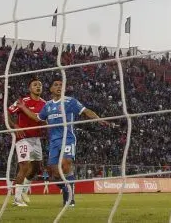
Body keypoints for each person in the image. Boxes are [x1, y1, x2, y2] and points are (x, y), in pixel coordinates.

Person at [17, 79, 112, 208]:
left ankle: (70, 198)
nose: (59, 87)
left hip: (67, 139)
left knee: (66, 165)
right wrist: (23, 107)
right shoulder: (48, 105)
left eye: (61, 85)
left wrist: (99, 119)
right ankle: (67, 189)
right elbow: (37, 118)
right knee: (53, 173)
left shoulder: (70, 102)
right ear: (50, 89)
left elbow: (86, 111)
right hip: (53, 141)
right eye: (56, 85)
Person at [7, 79, 46, 207]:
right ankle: (17, 199)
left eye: (40, 85)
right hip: (23, 138)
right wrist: (15, 126)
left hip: (36, 139)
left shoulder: (45, 104)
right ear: (30, 88)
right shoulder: (22, 101)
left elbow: (45, 120)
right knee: (24, 165)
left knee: (37, 168)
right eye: (35, 85)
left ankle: (23, 190)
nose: (38, 86)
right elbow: (6, 113)